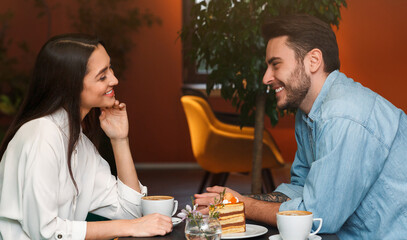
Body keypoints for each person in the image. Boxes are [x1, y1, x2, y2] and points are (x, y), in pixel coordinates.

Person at [195, 14, 407, 239]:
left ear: (313, 61)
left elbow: (316, 216)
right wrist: (234, 200)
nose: (266, 77)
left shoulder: (342, 117)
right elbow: (302, 188)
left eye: (275, 64)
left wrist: (243, 205)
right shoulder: (309, 112)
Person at [0, 34, 172, 239]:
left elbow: (130, 211)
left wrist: (119, 140)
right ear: (71, 86)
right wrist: (129, 227)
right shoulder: (42, 135)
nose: (114, 80)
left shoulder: (77, 142)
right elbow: (45, 232)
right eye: (102, 76)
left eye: (110, 68)